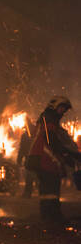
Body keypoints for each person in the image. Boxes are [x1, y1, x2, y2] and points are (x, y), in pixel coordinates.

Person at [26, 96, 81, 230]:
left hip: (39, 158)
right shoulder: (49, 118)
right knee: (52, 186)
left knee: (46, 189)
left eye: (65, 109)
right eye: (62, 108)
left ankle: (47, 216)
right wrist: (70, 155)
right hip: (44, 159)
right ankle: (54, 216)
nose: (63, 112)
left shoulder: (46, 118)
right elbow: (51, 141)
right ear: (54, 106)